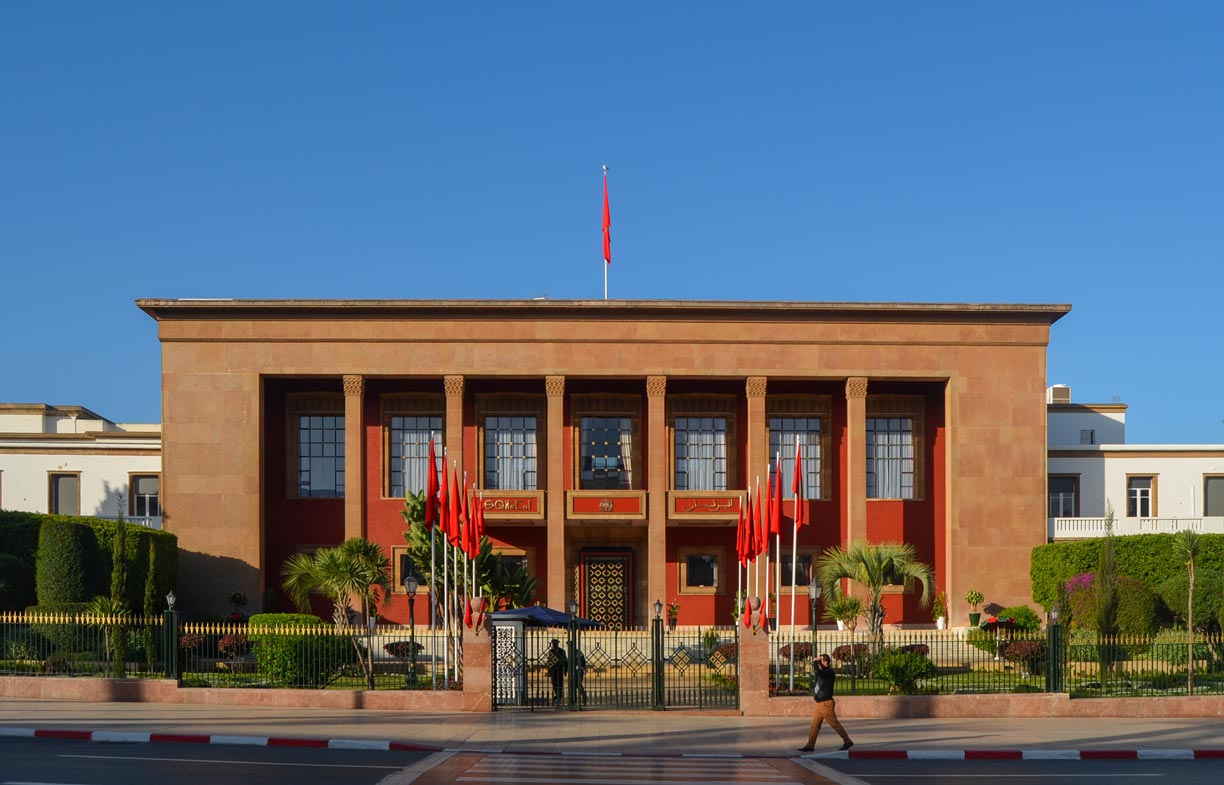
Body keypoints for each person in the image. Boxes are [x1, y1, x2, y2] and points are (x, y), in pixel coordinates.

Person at [798, 653, 854, 752]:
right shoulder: (823, 671)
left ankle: (847, 741)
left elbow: (818, 671)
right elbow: (817, 673)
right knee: (815, 725)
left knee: (834, 724)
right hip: (819, 704)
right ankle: (810, 746)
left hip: (826, 703)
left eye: (821, 661)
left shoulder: (829, 672)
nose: (819, 663)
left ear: (826, 662)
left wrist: (815, 661)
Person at [546, 638, 567, 704]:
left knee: (560, 682)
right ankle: (557, 694)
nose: (554, 644)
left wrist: (565, 670)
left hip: (560, 669)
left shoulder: (562, 651)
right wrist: (549, 670)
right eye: (553, 643)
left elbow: (565, 661)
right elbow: (549, 661)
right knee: (554, 683)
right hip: (554, 669)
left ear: (557, 644)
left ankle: (559, 696)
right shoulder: (551, 651)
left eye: (555, 643)